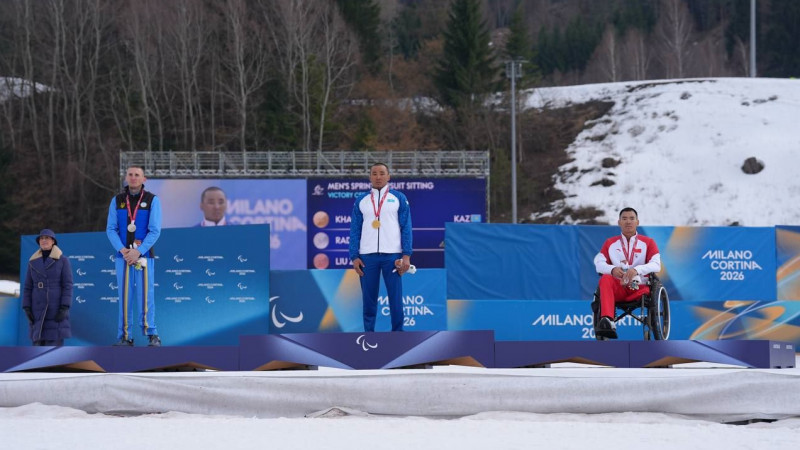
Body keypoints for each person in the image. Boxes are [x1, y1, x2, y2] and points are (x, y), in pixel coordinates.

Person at [349, 163, 413, 332]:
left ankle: (398, 334)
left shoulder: (398, 198)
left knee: (395, 299)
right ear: (370, 177)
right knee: (368, 299)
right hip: (367, 257)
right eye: (374, 173)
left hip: (392, 256)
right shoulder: (361, 201)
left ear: (388, 176)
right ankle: (369, 335)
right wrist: (354, 256)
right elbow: (355, 229)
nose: (378, 177)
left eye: (382, 173)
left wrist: (406, 255)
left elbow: (406, 226)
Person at [106, 165, 163, 346]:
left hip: (144, 256)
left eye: (137, 175)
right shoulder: (117, 200)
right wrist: (124, 251)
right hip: (122, 257)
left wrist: (137, 251)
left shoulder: (152, 200)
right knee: (124, 296)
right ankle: (125, 336)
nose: (133, 178)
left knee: (146, 295)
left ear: (144, 179)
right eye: (130, 174)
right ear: (126, 178)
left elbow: (154, 231)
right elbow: (111, 229)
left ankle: (151, 333)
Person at [593, 207, 661, 339]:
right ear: (619, 222)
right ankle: (607, 320)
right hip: (619, 288)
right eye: (624, 219)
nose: (628, 222)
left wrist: (637, 270)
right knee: (606, 278)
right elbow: (599, 265)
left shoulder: (648, 242)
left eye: (631, 218)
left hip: (640, 288)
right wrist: (612, 269)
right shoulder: (610, 243)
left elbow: (656, 265)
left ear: (637, 222)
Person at [22, 229, 73, 346]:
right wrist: (27, 307)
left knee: (52, 352)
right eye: (41, 238)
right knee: (37, 350)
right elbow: (28, 287)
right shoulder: (32, 262)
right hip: (37, 310)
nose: (44, 240)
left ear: (53, 241)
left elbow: (67, 285)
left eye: (47, 238)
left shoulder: (63, 260)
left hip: (55, 310)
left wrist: (65, 306)